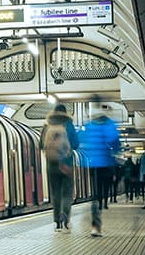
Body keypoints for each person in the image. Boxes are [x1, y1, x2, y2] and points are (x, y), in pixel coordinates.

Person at [77, 97, 121, 237]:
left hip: (92, 165)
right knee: (103, 192)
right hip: (106, 164)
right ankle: (100, 213)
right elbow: (114, 142)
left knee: (96, 195)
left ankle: (95, 226)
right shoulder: (108, 125)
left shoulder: (89, 126)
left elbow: (81, 141)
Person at [39, 104, 79, 233]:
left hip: (51, 164)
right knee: (67, 193)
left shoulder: (47, 125)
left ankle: (57, 223)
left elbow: (41, 144)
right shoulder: (68, 124)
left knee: (55, 193)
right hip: (66, 163)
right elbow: (75, 143)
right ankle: (65, 218)